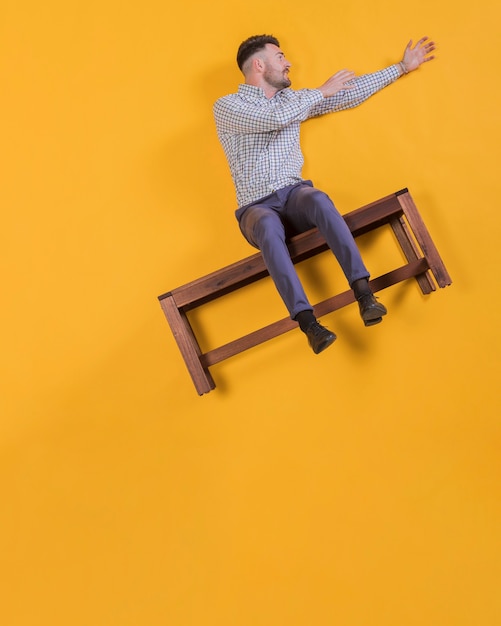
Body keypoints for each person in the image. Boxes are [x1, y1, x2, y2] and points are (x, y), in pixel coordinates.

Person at [213, 34, 436, 354]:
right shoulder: (228, 106)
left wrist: (401, 67)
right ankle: (308, 324)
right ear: (259, 65)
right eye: (280, 57)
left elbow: (346, 95)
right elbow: (272, 119)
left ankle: (364, 294)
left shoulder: (293, 101)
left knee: (316, 198)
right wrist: (319, 91)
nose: (288, 63)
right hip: (255, 207)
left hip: (293, 196)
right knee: (265, 225)